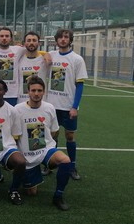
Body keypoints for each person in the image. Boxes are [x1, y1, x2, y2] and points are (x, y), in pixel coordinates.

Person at [14, 76, 74, 211]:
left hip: (45, 150)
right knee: (31, 193)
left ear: (44, 92)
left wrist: (47, 144)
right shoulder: (18, 109)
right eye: (33, 90)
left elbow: (54, 131)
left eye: (39, 91)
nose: (36, 94)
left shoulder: (49, 108)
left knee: (65, 161)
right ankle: (30, 173)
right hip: (27, 155)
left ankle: (58, 196)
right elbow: (14, 135)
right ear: (28, 91)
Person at [45, 29, 87, 180]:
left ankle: (72, 167)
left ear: (70, 40)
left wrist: (75, 106)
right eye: (60, 37)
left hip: (68, 106)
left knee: (69, 136)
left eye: (66, 37)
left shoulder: (77, 59)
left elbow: (80, 85)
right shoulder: (50, 55)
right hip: (51, 105)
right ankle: (50, 164)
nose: (63, 39)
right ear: (56, 40)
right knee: (51, 136)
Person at [17, 32, 49, 104]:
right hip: (22, 102)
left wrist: (46, 53)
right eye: (28, 40)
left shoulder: (45, 59)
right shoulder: (18, 59)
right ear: (24, 43)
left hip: (41, 103)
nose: (31, 43)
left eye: (34, 40)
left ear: (39, 43)